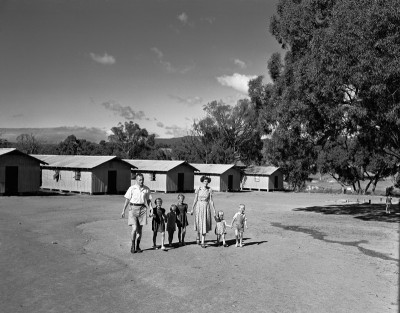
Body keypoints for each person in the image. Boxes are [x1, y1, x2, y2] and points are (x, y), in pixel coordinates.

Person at [121, 173, 153, 254]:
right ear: (136, 180)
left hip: (142, 209)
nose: (142, 181)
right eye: (140, 180)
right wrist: (123, 210)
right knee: (134, 229)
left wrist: (151, 208)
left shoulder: (146, 189)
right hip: (133, 209)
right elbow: (127, 200)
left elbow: (148, 200)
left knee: (140, 230)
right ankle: (132, 246)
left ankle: (138, 246)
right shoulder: (132, 188)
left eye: (143, 180)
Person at [190, 175, 216, 248]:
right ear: (202, 181)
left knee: (204, 222)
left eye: (207, 181)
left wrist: (214, 210)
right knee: (199, 222)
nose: (206, 182)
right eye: (205, 181)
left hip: (206, 206)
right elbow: (195, 199)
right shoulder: (198, 189)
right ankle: (198, 236)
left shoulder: (210, 189)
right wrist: (192, 208)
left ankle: (202, 242)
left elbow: (211, 200)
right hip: (199, 206)